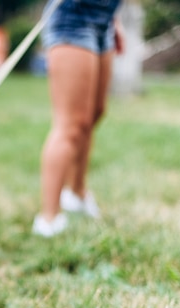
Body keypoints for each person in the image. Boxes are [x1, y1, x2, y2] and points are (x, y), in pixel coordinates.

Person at [32, 0, 125, 237]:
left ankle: (77, 193)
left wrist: (114, 20)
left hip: (104, 21)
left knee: (93, 113)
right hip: (72, 19)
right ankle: (48, 218)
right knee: (70, 125)